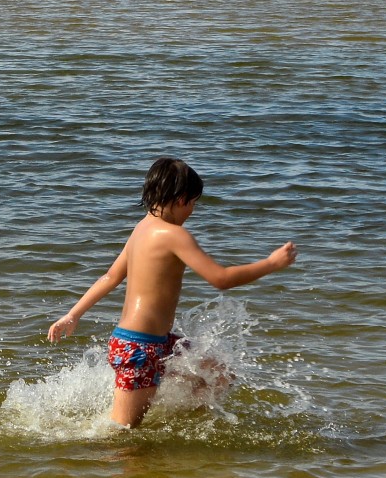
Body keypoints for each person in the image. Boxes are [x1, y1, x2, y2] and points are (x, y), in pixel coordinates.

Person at [48, 157, 297, 428]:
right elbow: (221, 278)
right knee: (121, 435)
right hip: (138, 348)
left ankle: (180, 429)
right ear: (180, 199)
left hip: (159, 343)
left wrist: (72, 314)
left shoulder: (142, 228)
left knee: (220, 373)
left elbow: (110, 277)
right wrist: (271, 264)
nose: (192, 210)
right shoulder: (174, 235)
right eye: (193, 203)